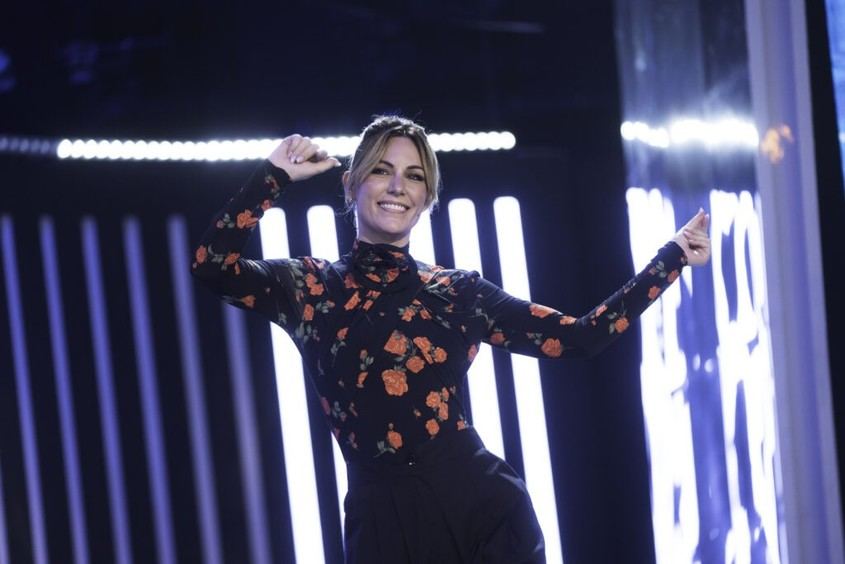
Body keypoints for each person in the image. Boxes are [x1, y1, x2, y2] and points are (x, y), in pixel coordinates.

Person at [191, 115, 711, 563]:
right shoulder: (309, 287)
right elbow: (212, 267)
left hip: (481, 512)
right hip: (380, 525)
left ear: (426, 199)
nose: (398, 186)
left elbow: (580, 338)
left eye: (414, 176)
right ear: (350, 184)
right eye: (381, 170)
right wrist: (274, 175)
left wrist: (671, 259)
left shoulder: (458, 292)